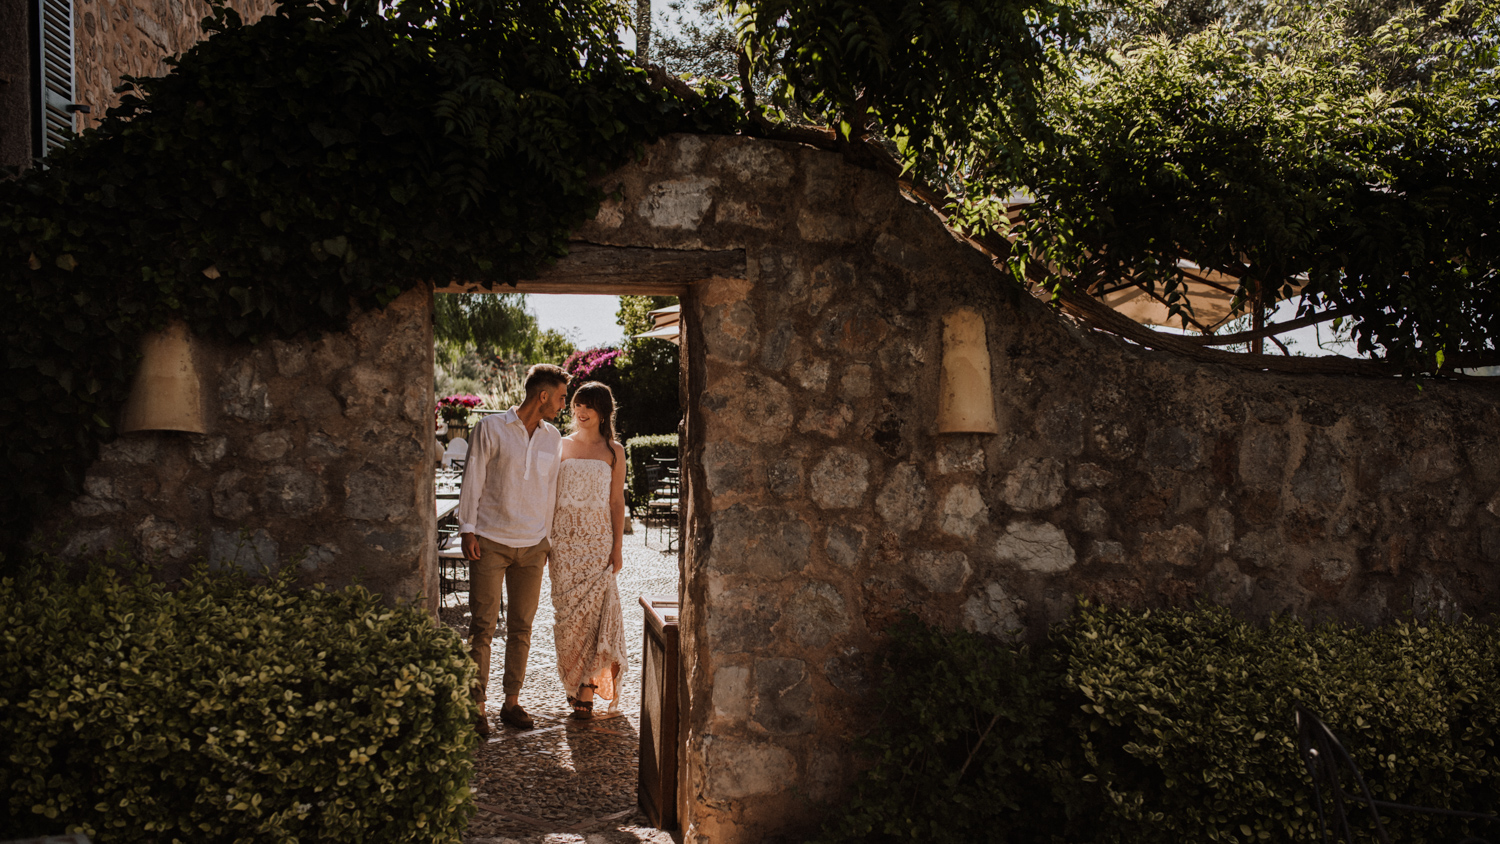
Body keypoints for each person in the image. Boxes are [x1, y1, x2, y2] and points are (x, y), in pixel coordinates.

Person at [457, 363, 570, 735]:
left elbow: (551, 490)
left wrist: (548, 539)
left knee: (522, 627)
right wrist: (468, 530)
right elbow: (473, 478)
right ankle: (476, 705)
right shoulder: (490, 428)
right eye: (560, 397)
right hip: (490, 541)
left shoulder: (553, 438)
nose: (563, 404)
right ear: (542, 395)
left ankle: (511, 702)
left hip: (533, 546)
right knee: (483, 626)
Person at [550, 381, 630, 720]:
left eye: (589, 406)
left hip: (597, 543)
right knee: (567, 620)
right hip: (564, 544)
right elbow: (547, 495)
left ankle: (586, 688)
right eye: (578, 405)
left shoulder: (615, 451)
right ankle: (573, 679)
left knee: (597, 616)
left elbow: (616, 501)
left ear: (602, 413)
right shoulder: (558, 445)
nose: (581, 412)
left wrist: (617, 547)